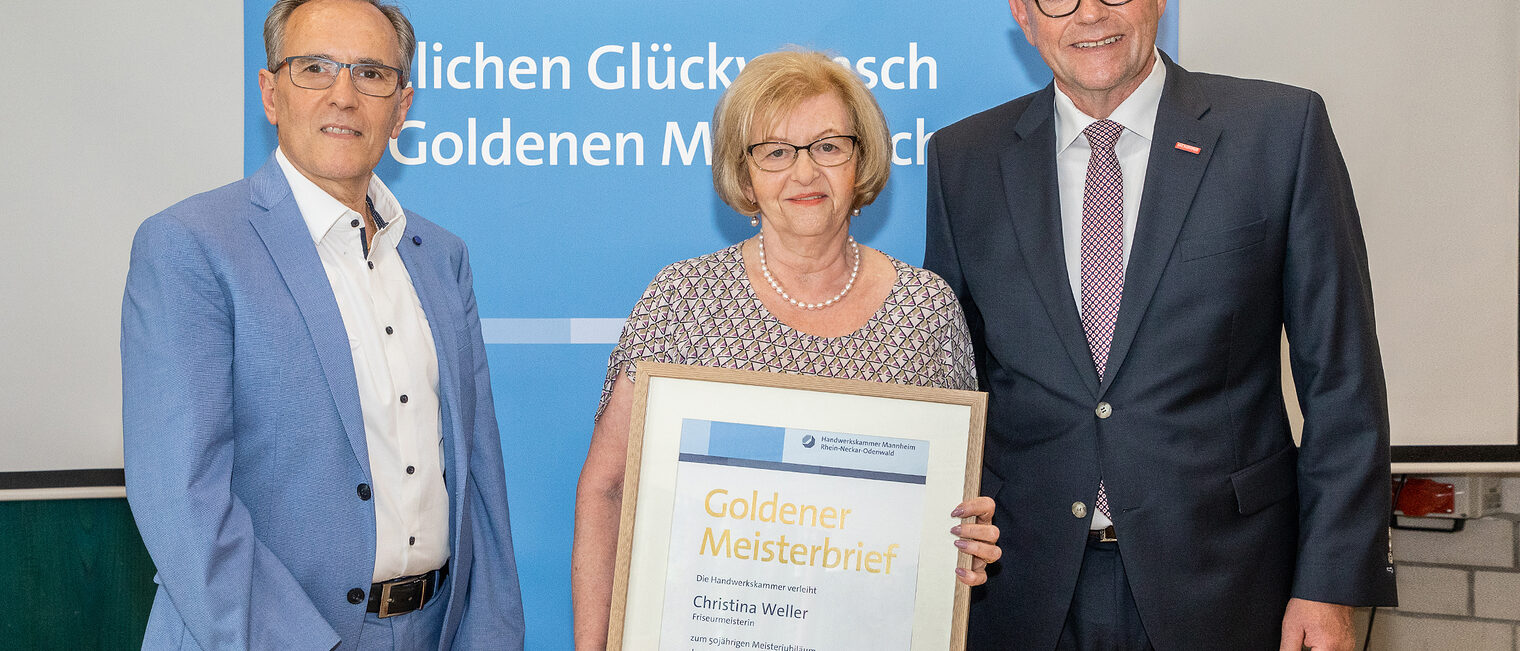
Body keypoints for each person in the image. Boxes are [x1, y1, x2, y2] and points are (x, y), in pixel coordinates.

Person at [923, 1, 1396, 649]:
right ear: (1023, 14)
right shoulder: (962, 159)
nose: (1090, 14)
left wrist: (1330, 582)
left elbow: (1343, 383)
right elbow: (956, 384)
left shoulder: (1280, 131)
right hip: (1020, 589)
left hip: (1226, 582)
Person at [120, 1, 524, 648]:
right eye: (314, 68)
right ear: (270, 92)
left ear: (403, 106)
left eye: (371, 73)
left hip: (434, 630)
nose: (343, 95)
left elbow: (479, 477)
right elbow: (183, 498)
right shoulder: (191, 246)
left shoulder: (442, 257)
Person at [571, 49, 1002, 649]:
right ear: (744, 176)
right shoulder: (682, 300)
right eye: (775, 152)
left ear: (862, 160)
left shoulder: (925, 310)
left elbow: (954, 506)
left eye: (828, 146)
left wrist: (964, 544)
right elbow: (607, 488)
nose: (804, 174)